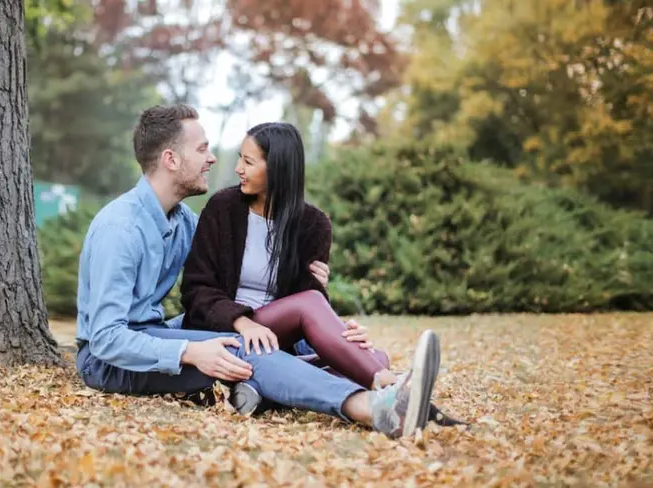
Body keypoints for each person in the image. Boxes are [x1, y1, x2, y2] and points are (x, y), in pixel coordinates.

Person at [75, 104, 442, 439]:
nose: (214, 158)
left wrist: (329, 319)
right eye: (202, 149)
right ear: (170, 159)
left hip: (155, 332)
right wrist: (189, 352)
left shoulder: (182, 221)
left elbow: (228, 273)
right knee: (241, 347)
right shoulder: (120, 229)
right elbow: (107, 338)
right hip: (108, 361)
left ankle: (368, 379)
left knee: (246, 347)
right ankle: (374, 406)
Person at [180, 122, 457, 423]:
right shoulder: (223, 208)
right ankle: (393, 385)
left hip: (276, 342)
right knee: (355, 349)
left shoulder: (313, 225)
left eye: (248, 161)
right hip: (224, 330)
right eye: (240, 158)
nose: (237, 169)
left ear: (278, 168)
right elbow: (197, 289)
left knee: (372, 356)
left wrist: (343, 335)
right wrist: (243, 322)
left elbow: (308, 305)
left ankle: (256, 392)